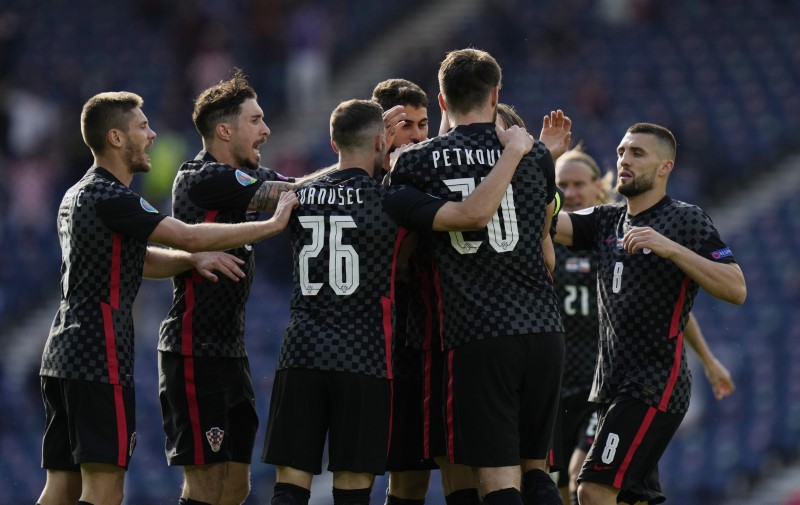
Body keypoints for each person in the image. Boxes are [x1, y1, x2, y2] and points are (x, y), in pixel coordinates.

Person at [262, 98, 540, 505]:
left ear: (334, 143)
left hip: (300, 351)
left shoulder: (301, 194)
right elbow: (465, 214)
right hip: (363, 356)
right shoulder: (390, 200)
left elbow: (264, 194)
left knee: (288, 488)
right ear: (381, 142)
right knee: (353, 493)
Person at [37, 91, 297, 505]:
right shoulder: (112, 196)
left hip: (63, 353)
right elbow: (187, 234)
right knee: (105, 491)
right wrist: (271, 225)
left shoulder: (77, 194)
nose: (152, 134)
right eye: (142, 126)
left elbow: (139, 259)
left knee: (62, 488)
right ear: (116, 138)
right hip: (97, 355)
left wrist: (190, 261)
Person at [385, 48, 570, 505]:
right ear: (495, 95)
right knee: (538, 474)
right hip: (545, 329)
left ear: (441, 102)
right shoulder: (536, 155)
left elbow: (401, 254)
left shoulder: (415, 162)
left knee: (497, 481)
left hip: (478, 335)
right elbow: (545, 249)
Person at [552, 123, 746, 505]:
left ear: (664, 167)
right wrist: (544, 162)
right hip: (609, 385)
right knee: (628, 498)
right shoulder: (606, 220)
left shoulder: (685, 219)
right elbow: (544, 222)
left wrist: (671, 249)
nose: (624, 160)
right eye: (621, 152)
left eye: (637, 153)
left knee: (590, 489)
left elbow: (736, 287)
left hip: (652, 383)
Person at [157, 69, 307, 505]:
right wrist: (352, 167)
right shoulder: (201, 177)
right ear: (224, 130)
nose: (266, 129)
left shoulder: (240, 178)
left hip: (229, 350)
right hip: (193, 349)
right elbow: (287, 195)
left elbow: (298, 189)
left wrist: (351, 171)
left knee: (236, 487)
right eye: (255, 120)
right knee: (205, 487)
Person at [372, 78, 481, 505]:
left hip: (446, 341)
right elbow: (390, 265)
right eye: (406, 126)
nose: (418, 136)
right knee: (407, 480)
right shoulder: (363, 186)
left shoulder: (437, 174)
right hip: (392, 349)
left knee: (461, 465)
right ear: (382, 130)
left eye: (423, 124)